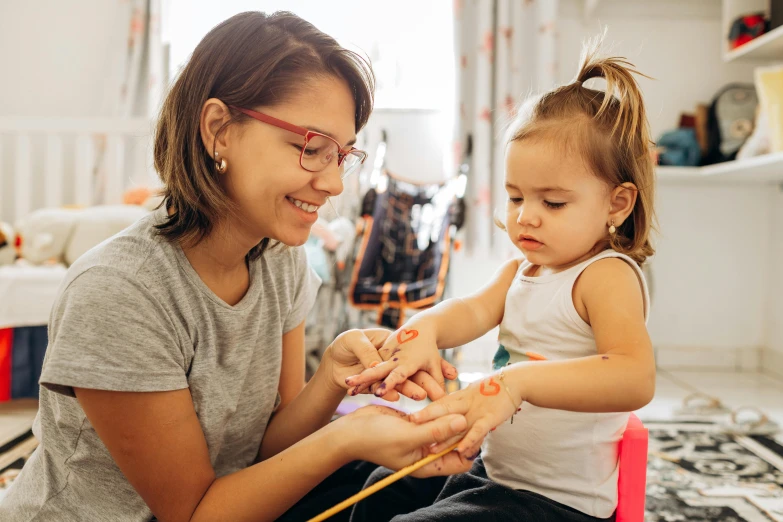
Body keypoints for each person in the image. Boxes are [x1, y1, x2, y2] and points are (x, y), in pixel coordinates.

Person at [0, 11, 473, 522]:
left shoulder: (280, 262)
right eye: (312, 148)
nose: (335, 183)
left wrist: (332, 377)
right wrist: (346, 437)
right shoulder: (119, 293)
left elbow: (267, 450)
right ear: (219, 130)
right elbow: (194, 514)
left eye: (343, 155)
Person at [345, 39, 657, 521]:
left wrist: (517, 383)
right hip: (495, 472)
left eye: (552, 203)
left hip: (556, 501)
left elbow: (634, 377)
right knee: (378, 489)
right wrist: (425, 327)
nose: (526, 217)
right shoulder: (520, 271)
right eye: (515, 198)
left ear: (617, 203)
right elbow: (469, 311)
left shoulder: (605, 276)